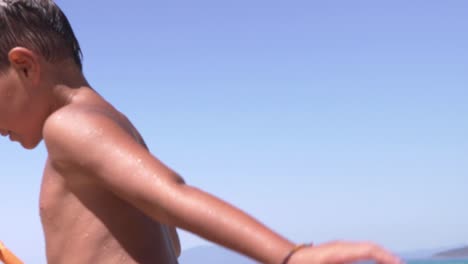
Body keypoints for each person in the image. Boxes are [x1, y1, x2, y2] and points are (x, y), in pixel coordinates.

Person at [0, 1, 402, 263]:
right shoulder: (115, 128)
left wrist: (289, 256)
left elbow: (170, 197)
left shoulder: (70, 127)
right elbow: (165, 243)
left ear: (25, 67)